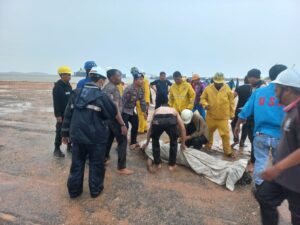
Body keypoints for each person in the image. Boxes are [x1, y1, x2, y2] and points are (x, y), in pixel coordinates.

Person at [61, 67, 117, 198]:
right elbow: (112, 114)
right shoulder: (102, 96)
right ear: (102, 81)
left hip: (77, 137)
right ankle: (95, 190)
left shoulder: (75, 93)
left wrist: (64, 133)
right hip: (96, 138)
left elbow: (67, 114)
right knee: (96, 164)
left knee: (77, 164)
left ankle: (74, 192)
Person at [255, 68, 300, 225]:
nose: (274, 93)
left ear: (288, 90)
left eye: (277, 89)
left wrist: (278, 167)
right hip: (282, 175)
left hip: (295, 180)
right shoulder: (290, 110)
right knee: (263, 196)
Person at [234, 64, 287, 186]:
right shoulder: (290, 94)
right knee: (279, 163)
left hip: (260, 134)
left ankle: (259, 185)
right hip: (281, 136)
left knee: (260, 161)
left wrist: (237, 126)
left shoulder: (259, 92)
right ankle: (277, 187)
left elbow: (244, 112)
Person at [102, 69, 134, 175]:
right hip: (115, 119)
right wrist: (122, 124)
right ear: (111, 77)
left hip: (108, 119)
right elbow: (115, 108)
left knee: (109, 139)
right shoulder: (114, 89)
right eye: (118, 76)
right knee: (123, 141)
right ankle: (121, 167)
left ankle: (104, 159)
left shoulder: (106, 87)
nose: (120, 78)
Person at [142, 100, 186, 172]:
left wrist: (147, 143)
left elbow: (150, 129)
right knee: (173, 141)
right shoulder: (173, 110)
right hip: (171, 120)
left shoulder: (157, 110)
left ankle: (157, 164)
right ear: (169, 106)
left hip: (157, 120)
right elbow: (183, 128)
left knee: (155, 140)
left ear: (161, 106)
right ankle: (172, 165)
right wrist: (183, 144)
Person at [200, 73, 235, 157]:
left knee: (225, 135)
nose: (218, 84)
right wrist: (205, 104)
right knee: (208, 133)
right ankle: (208, 146)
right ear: (214, 80)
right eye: (217, 82)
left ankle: (228, 151)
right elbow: (202, 98)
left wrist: (232, 113)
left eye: (220, 82)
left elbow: (232, 102)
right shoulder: (208, 88)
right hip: (211, 116)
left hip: (223, 117)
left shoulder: (227, 89)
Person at [122, 68, 147, 149]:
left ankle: (133, 141)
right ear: (135, 80)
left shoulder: (141, 89)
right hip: (124, 110)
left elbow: (142, 101)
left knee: (136, 124)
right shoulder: (129, 89)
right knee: (125, 127)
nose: (142, 81)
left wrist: (144, 112)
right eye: (140, 79)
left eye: (142, 79)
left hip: (132, 110)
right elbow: (122, 102)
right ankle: (122, 143)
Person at [52, 66, 73, 157]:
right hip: (61, 114)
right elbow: (56, 102)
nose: (69, 76)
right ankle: (57, 149)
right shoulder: (57, 87)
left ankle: (69, 146)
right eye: (68, 75)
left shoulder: (69, 85)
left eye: (70, 74)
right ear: (62, 75)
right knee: (60, 131)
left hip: (69, 113)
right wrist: (58, 115)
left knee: (70, 130)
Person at [231, 76, 252, 148]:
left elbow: (232, 97)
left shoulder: (239, 88)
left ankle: (236, 138)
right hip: (248, 111)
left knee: (233, 123)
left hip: (239, 110)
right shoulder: (253, 89)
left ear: (244, 81)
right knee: (245, 126)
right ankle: (242, 142)